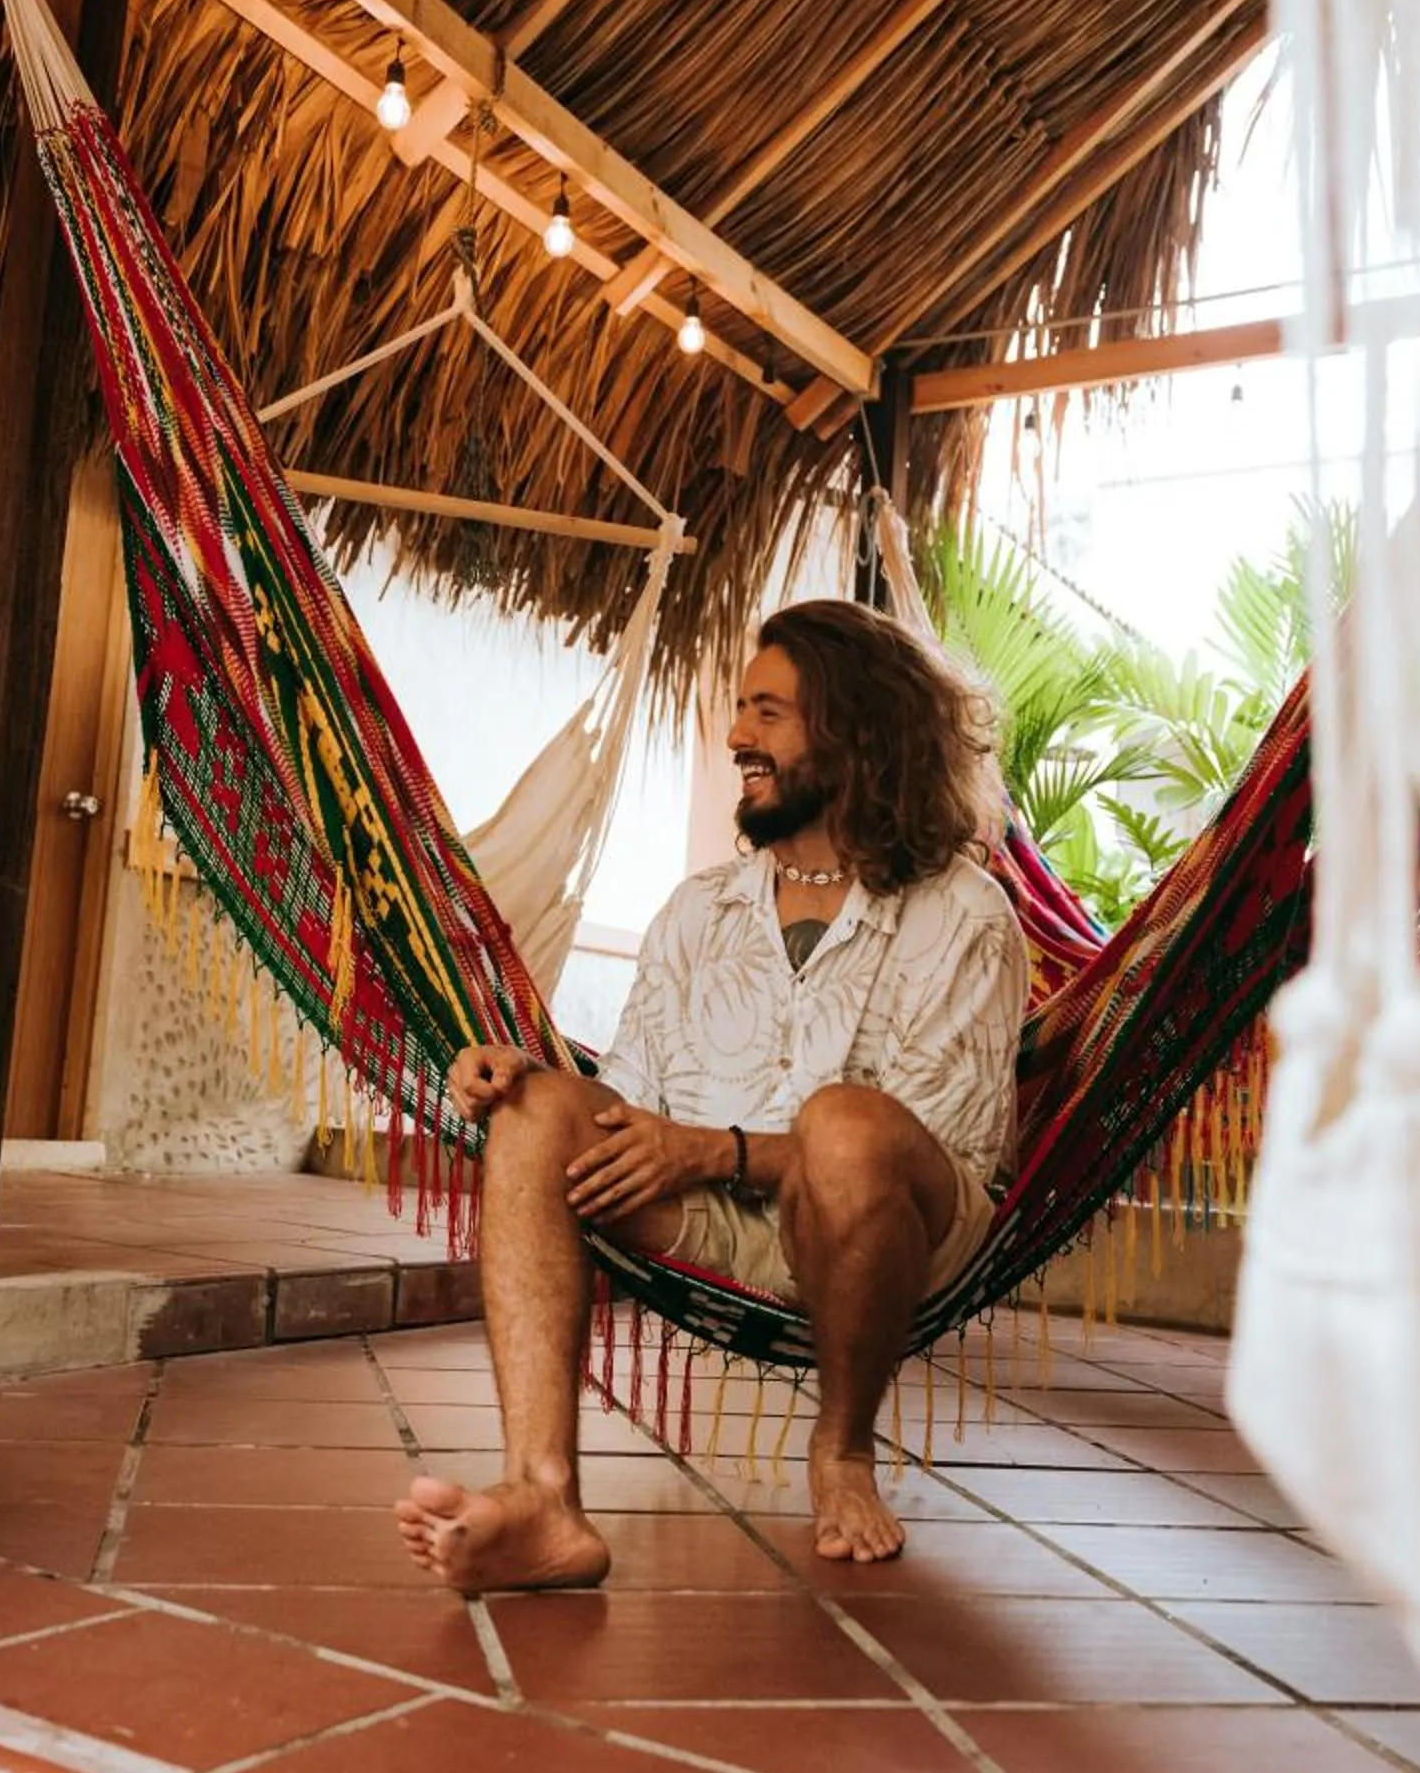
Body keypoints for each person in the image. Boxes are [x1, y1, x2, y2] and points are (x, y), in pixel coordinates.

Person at [395, 597, 1028, 1589]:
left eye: (768, 711)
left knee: (845, 1127)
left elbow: (943, 1144)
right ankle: (541, 1496)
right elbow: (630, 1107)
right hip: (720, 1220)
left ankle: (842, 1447)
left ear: (857, 731)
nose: (736, 736)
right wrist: (524, 1074)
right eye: (740, 708)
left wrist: (718, 1150)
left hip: (891, 1230)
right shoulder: (700, 911)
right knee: (536, 1113)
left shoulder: (963, 914)